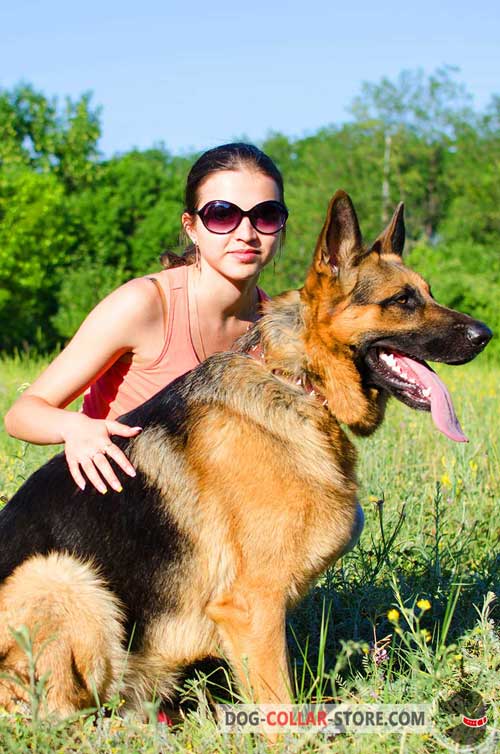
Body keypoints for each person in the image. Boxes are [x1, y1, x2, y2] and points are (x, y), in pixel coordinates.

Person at [4, 143, 288, 494]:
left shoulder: (275, 328)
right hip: (119, 510)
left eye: (265, 215)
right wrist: (74, 427)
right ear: (192, 227)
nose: (246, 233)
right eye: (222, 214)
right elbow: (22, 415)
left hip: (207, 511)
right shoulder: (144, 305)